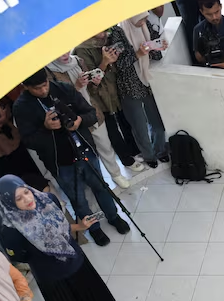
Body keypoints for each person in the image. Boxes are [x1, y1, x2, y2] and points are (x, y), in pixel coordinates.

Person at [0, 175, 119, 301]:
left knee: (89, 290)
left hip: (73, 257)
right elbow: (18, 256)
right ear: (9, 203)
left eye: (26, 192)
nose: (27, 199)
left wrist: (81, 227)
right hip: (51, 274)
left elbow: (63, 227)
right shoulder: (10, 230)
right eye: (18, 198)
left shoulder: (48, 200)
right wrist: (41, 247)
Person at [13, 69, 131, 246]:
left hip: (85, 151)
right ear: (26, 87)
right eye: (38, 88)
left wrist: (79, 121)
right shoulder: (21, 107)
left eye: (45, 84)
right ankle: (94, 229)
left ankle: (113, 216)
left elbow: (91, 114)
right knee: (78, 199)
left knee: (101, 187)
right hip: (60, 162)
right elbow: (29, 141)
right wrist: (46, 128)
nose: (44, 90)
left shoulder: (63, 89)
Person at [45, 53, 132, 189]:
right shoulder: (50, 72)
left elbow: (91, 90)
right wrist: (77, 86)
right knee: (87, 154)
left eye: (66, 50)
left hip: (93, 111)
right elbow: (56, 100)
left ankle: (116, 174)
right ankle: (99, 183)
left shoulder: (78, 61)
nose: (65, 54)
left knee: (105, 145)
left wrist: (94, 83)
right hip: (74, 119)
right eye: (60, 52)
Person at [74, 32, 145, 174]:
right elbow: (90, 81)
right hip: (99, 96)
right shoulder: (82, 49)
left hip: (114, 89)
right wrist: (105, 62)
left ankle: (134, 151)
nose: (103, 31)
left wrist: (113, 60)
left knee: (124, 121)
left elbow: (115, 68)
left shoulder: (106, 40)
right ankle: (126, 160)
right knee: (112, 129)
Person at [112, 14, 170, 168]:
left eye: (145, 18)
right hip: (129, 84)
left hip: (147, 79)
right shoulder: (118, 32)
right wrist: (138, 53)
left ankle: (161, 150)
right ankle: (148, 155)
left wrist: (159, 47)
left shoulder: (146, 26)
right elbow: (118, 65)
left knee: (157, 120)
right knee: (139, 125)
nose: (143, 22)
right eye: (140, 19)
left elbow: (155, 55)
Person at [0, 98, 51, 192]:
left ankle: (47, 199)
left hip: (12, 140)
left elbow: (8, 109)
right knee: (12, 185)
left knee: (33, 176)